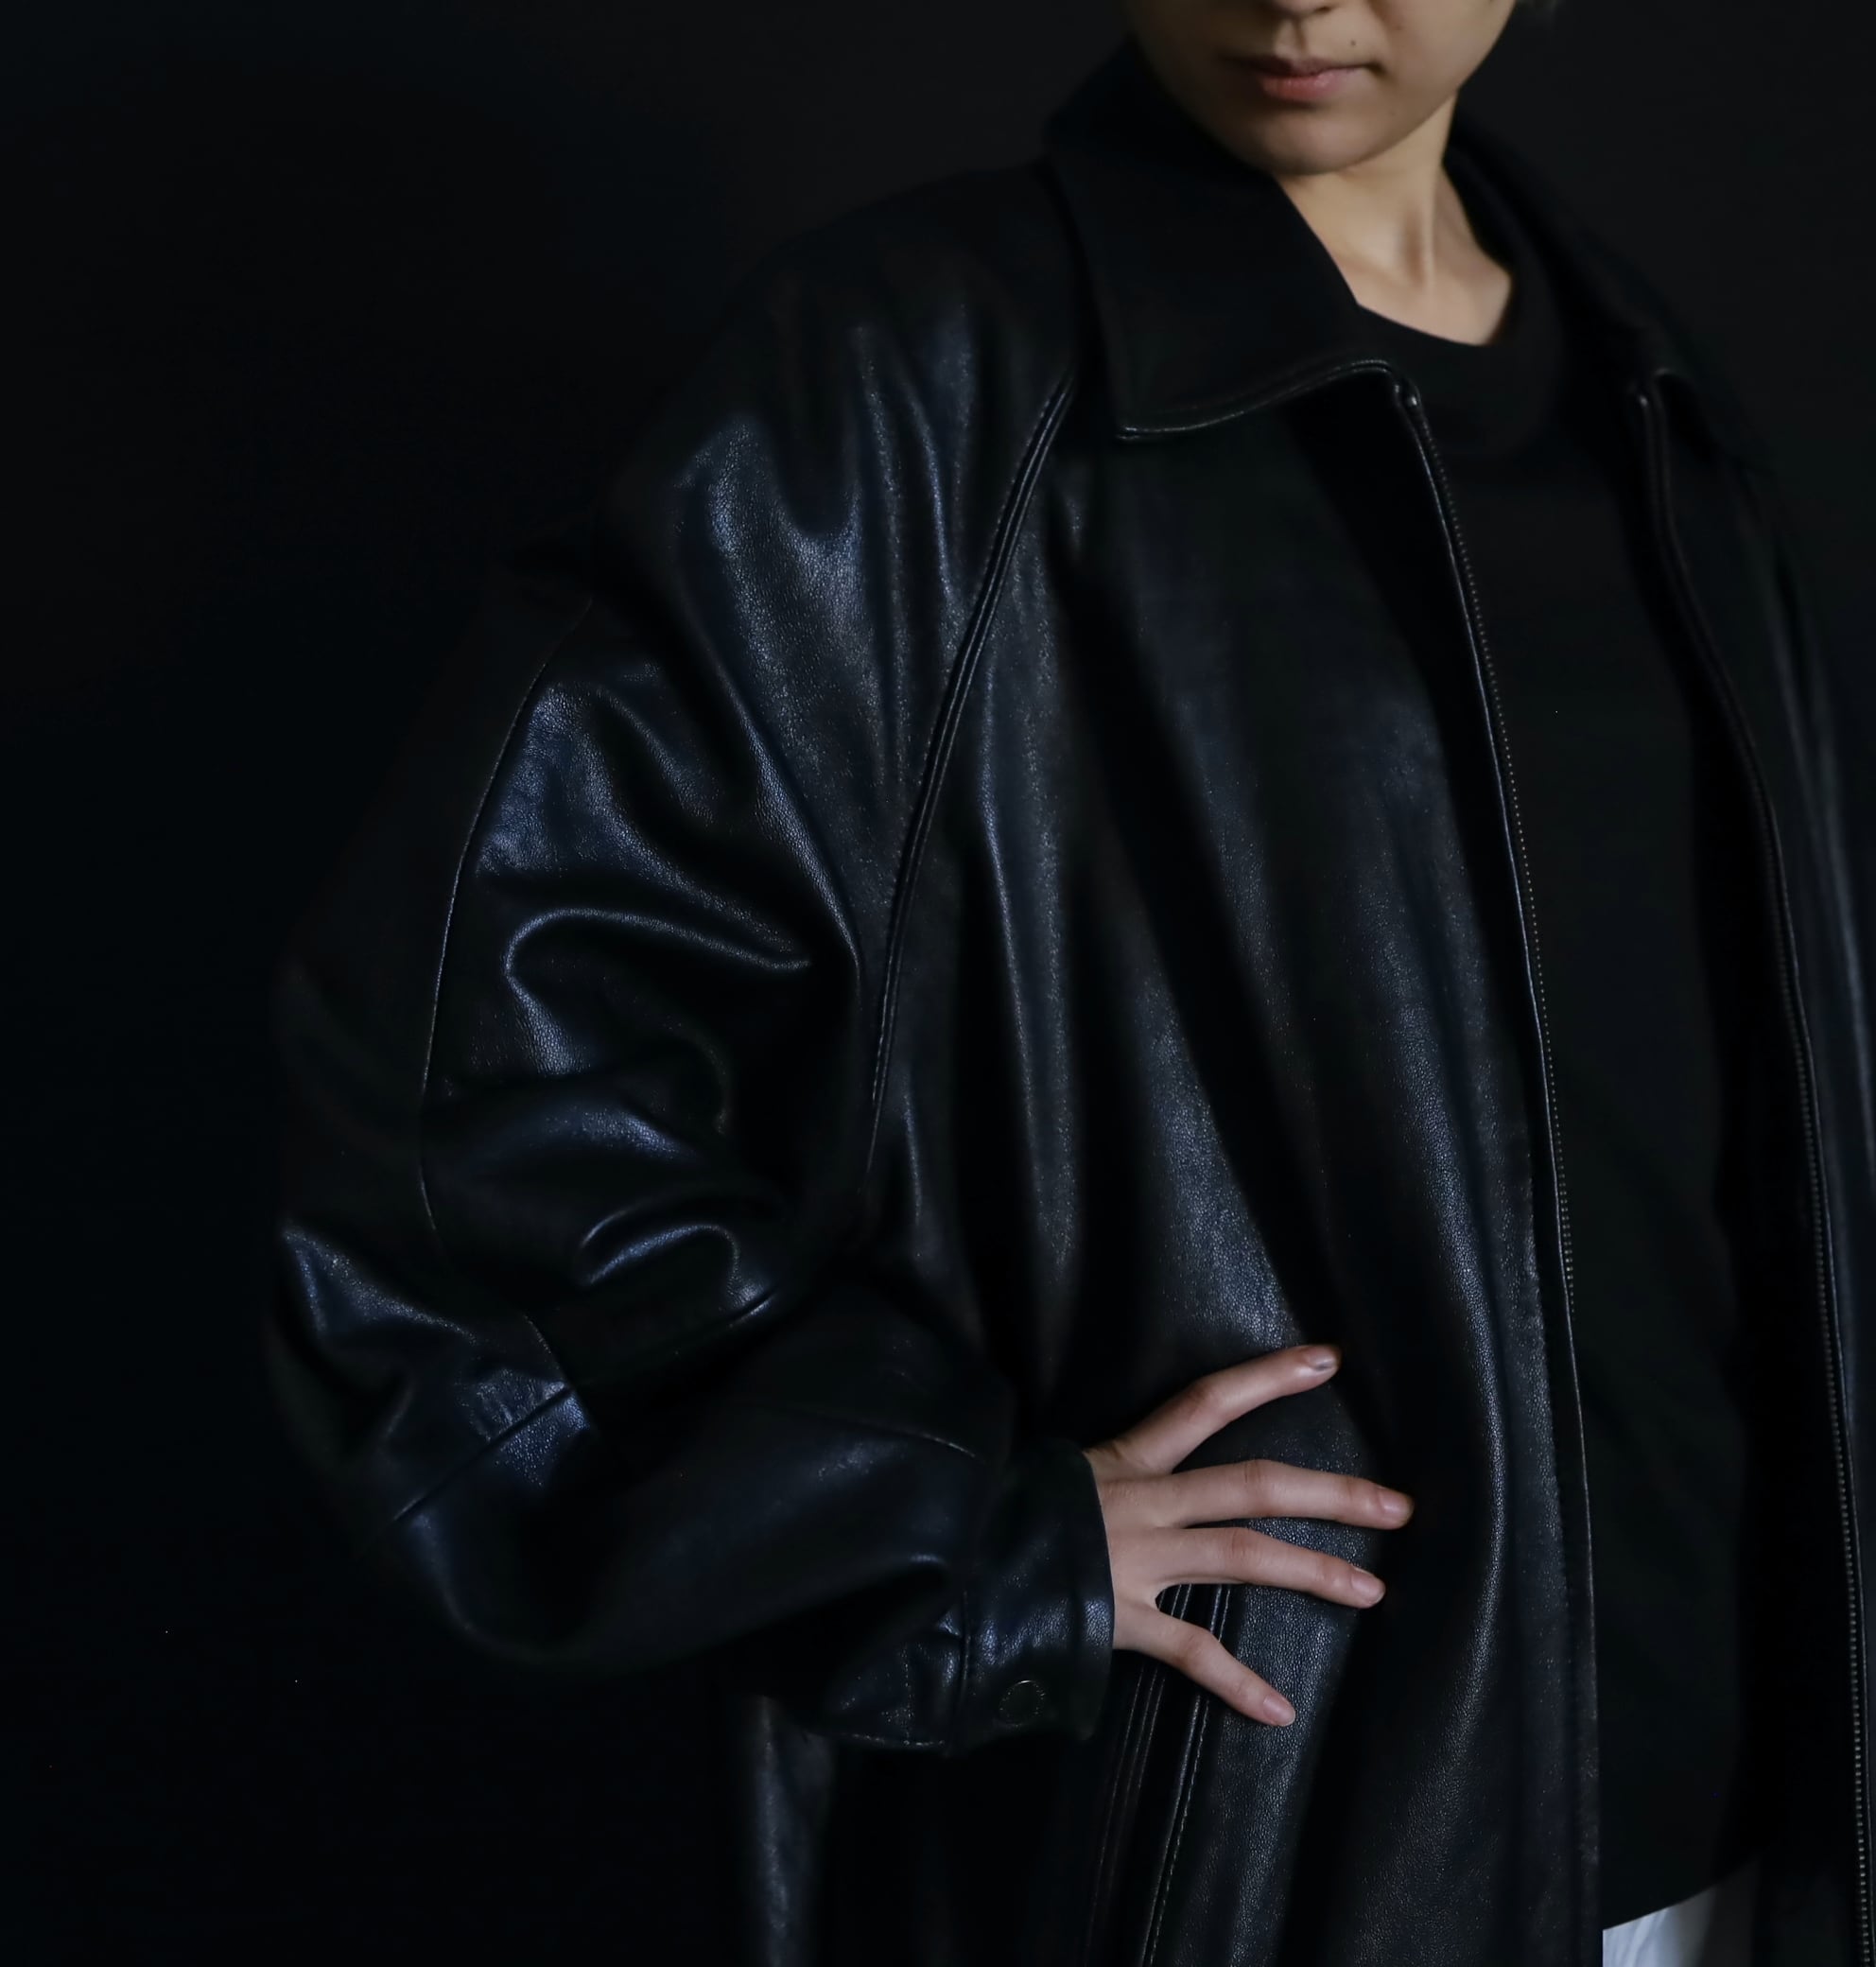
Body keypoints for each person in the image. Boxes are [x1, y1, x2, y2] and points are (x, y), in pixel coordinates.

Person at [264, 4, 1874, 1963]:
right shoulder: (906, 373)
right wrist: (941, 1531)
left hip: (1738, 1821)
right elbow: (461, 1113)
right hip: (1268, 1840)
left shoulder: (1648, 393)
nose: (1297, 0)